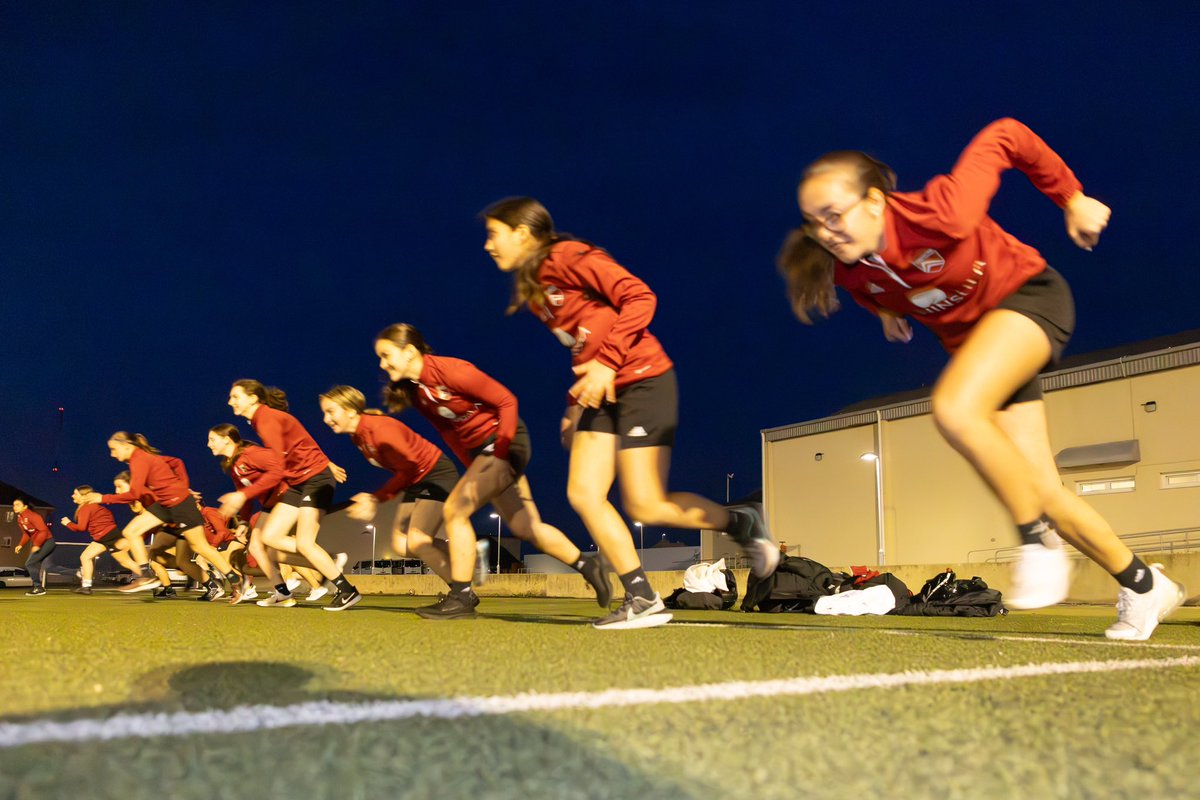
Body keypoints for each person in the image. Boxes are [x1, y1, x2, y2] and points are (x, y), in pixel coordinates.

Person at [776, 117, 1185, 641]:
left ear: (875, 201)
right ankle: (1143, 582)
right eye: (814, 222)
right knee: (1043, 488)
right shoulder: (856, 272)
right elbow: (874, 289)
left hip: (1030, 299)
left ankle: (1033, 539)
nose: (826, 232)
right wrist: (886, 312)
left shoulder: (942, 209)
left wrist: (1073, 198)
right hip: (987, 346)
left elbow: (1007, 135)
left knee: (955, 408)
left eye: (834, 215)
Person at [480, 197, 778, 630]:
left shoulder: (571, 256)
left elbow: (639, 296)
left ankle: (742, 520)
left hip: (643, 380)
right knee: (583, 494)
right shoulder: (536, 293)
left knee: (646, 503)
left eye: (494, 234)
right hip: (600, 394)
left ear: (522, 233)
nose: (488, 245)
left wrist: (607, 363)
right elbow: (584, 346)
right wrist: (572, 404)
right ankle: (642, 599)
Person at [374, 323, 611, 619]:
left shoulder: (452, 371)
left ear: (409, 352)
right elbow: (449, 432)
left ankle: (461, 597)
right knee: (527, 529)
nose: (383, 364)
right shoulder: (418, 392)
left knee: (454, 512)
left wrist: (499, 454)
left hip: (504, 441)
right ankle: (588, 565)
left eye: (386, 355)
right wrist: (474, 467)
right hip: (482, 454)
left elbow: (507, 401)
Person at [224, 380, 361, 610]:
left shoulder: (266, 419)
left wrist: (242, 495)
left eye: (235, 396)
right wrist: (327, 460)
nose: (230, 402)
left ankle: (347, 590)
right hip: (298, 482)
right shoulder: (263, 419)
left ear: (253, 398)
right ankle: (328, 560)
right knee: (270, 539)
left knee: (306, 543)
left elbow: (277, 468)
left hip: (315, 480)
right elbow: (301, 440)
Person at [319, 385, 457, 585]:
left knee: (418, 540)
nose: (326, 419)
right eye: (324, 412)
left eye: (331, 411)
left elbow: (409, 467)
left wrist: (376, 498)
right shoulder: (358, 436)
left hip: (435, 473)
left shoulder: (380, 429)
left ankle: (461, 594)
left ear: (350, 411)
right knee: (401, 545)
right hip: (416, 480)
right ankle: (460, 552)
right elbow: (405, 471)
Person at [90, 432, 242, 598]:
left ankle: (235, 580)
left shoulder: (140, 459)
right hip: (165, 506)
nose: (112, 454)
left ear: (127, 445)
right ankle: (146, 577)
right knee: (131, 532)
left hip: (180, 505)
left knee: (200, 547)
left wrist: (103, 498)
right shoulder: (140, 458)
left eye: (114, 449)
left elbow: (135, 493)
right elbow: (176, 462)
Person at [13, 498, 55, 596]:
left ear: (25, 506)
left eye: (18, 504)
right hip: (39, 543)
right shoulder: (20, 518)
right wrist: (20, 545)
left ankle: (38, 588)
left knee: (30, 563)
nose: (15, 507)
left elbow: (43, 531)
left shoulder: (33, 516)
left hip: (47, 542)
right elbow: (26, 534)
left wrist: (37, 545)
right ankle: (78, 572)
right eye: (14, 505)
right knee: (50, 567)